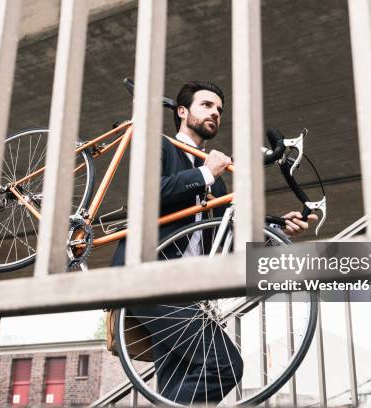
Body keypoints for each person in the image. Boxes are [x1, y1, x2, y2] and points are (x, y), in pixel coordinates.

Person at [111, 81, 318, 404]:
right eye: (207, 105)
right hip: (146, 276)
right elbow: (147, 193)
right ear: (182, 112)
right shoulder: (161, 147)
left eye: (219, 110)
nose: (215, 113)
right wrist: (205, 174)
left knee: (177, 385)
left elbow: (229, 234)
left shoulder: (218, 183)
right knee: (224, 366)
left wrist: (279, 229)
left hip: (188, 295)